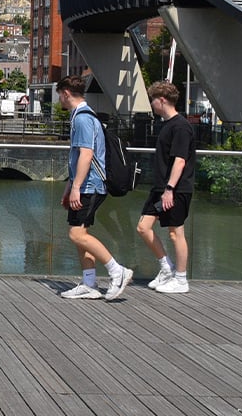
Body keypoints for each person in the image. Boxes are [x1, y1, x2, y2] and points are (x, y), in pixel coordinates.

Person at [55, 74, 134, 300]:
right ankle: (89, 282)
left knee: (76, 233)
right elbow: (77, 156)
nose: (59, 99)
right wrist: (69, 187)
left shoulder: (82, 119)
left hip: (90, 185)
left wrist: (77, 187)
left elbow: (86, 155)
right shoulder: (82, 116)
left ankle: (117, 270)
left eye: (60, 94)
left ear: (66, 93)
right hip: (84, 184)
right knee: (82, 233)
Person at [138, 81, 196, 294]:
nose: (152, 105)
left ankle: (181, 279)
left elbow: (180, 160)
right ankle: (166, 267)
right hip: (161, 187)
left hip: (176, 189)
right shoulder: (167, 125)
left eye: (153, 100)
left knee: (175, 233)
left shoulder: (181, 127)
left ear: (161, 100)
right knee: (143, 227)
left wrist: (170, 189)